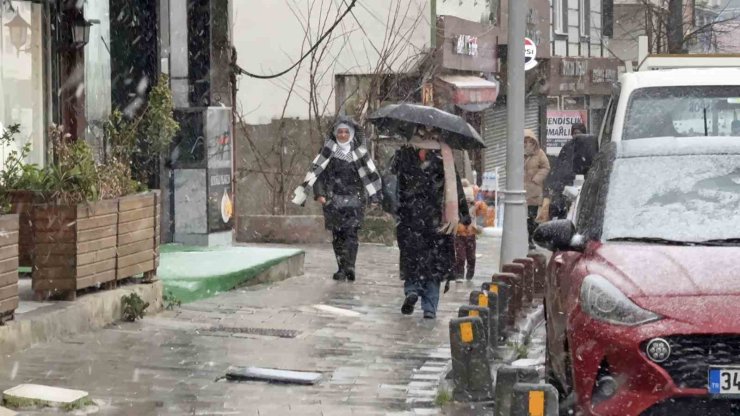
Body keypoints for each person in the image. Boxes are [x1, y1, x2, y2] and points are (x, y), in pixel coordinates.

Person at [292, 117, 383, 282]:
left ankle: (350, 266)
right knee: (338, 235)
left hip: (355, 199)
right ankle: (341, 268)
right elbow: (318, 174)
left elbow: (370, 175)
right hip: (333, 200)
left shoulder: (360, 153)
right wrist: (320, 195)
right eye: (340, 132)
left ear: (352, 134)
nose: (342, 135)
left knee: (351, 234)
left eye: (346, 132)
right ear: (335, 133)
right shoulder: (327, 152)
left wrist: (374, 196)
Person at [393, 126, 470, 319]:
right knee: (433, 266)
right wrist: (464, 214)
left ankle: (413, 291)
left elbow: (395, 184)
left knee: (415, 259)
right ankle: (429, 306)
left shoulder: (408, 153)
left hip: (415, 218)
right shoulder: (443, 157)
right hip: (435, 220)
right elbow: (456, 188)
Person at [541, 122, 585, 222]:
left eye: (579, 133)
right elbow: (559, 167)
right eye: (574, 133)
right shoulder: (567, 147)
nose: (576, 135)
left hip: (580, 186)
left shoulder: (587, 148)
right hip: (565, 187)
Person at [454, 180, 487, 282]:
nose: (468, 204)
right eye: (466, 202)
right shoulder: (456, 208)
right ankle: (459, 275)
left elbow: (482, 214)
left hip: (471, 235)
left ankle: (469, 273)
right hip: (459, 235)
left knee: (471, 257)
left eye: (470, 202)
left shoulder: (475, 207)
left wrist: (479, 205)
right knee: (460, 256)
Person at [524, 129, 550, 250]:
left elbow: (546, 167)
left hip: (534, 190)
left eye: (529, 140)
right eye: (524, 140)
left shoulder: (539, 153)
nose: (527, 143)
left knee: (532, 216)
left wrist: (536, 178)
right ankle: (522, 238)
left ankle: (530, 238)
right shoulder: (517, 152)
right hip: (520, 190)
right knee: (520, 216)